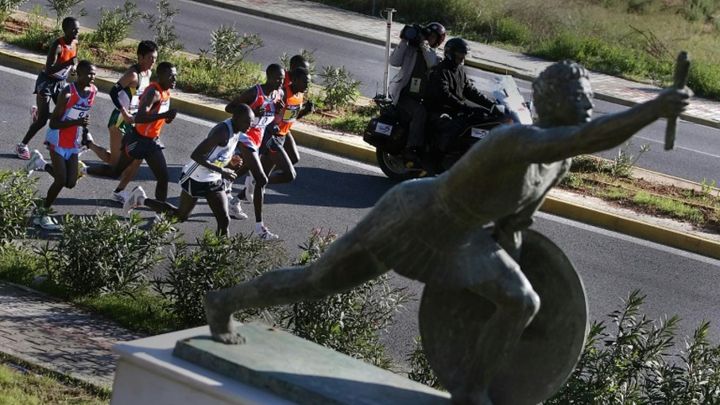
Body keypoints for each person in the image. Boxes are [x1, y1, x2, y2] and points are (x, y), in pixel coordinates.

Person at [203, 60, 691, 403]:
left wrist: (495, 284)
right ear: (553, 104)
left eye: (589, 100)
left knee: (521, 300)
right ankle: (223, 303)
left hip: (462, 237)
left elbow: (514, 225)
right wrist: (654, 108)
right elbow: (591, 136)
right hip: (415, 214)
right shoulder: (516, 139)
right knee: (318, 281)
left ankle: (470, 393)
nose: (588, 107)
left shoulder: (555, 165)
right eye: (578, 99)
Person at [124, 104, 255, 236]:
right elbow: (197, 155)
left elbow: (218, 153)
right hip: (195, 177)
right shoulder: (222, 132)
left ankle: (219, 253)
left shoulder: (237, 131)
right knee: (181, 216)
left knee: (224, 220)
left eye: (251, 123)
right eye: (247, 122)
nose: (249, 127)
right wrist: (222, 171)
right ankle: (141, 199)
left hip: (213, 179)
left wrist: (230, 161)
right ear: (236, 118)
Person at [85, 62, 178, 203]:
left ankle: (160, 216)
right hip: (138, 140)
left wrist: (168, 117)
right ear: (161, 76)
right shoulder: (154, 92)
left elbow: (160, 117)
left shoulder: (167, 93)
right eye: (171, 76)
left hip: (152, 141)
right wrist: (163, 116)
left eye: (175, 76)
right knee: (115, 170)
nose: (175, 79)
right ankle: (84, 170)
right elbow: (140, 117)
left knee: (163, 177)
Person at [84, 40, 158, 204]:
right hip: (119, 121)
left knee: (136, 160)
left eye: (155, 59)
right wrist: (124, 112)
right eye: (150, 58)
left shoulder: (148, 74)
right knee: (115, 164)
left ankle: (119, 191)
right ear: (140, 57)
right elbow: (113, 92)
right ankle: (88, 145)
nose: (153, 62)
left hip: (134, 122)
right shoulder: (132, 74)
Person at [26, 60, 97, 230]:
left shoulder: (93, 91)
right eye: (88, 73)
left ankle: (40, 163)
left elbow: (83, 115)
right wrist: (77, 121)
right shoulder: (67, 93)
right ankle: (41, 213)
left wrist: (85, 132)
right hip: (57, 138)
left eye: (94, 73)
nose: (92, 76)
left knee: (70, 182)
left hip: (73, 140)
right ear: (78, 74)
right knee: (60, 180)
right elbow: (54, 123)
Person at [224, 64, 285, 240]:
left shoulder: (278, 95)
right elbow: (230, 108)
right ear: (268, 76)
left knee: (240, 170)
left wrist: (279, 113)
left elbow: (271, 122)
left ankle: (224, 187)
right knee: (261, 179)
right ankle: (260, 229)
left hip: (258, 139)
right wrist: (251, 111)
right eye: (277, 78)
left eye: (282, 78)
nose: (280, 82)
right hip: (244, 138)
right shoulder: (255, 92)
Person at [16, 17, 79, 160]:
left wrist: (73, 67)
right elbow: (49, 69)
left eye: (78, 29)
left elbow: (73, 59)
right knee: (43, 120)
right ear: (65, 30)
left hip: (61, 83)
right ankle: (22, 145)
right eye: (74, 29)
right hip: (47, 82)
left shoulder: (75, 42)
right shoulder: (57, 45)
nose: (77, 32)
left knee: (65, 114)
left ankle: (39, 113)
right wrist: (68, 62)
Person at [425, 37, 498, 149]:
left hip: (455, 109)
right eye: (460, 54)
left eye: (464, 54)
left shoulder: (459, 70)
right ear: (450, 53)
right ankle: (436, 160)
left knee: (481, 121)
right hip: (440, 110)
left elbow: (470, 90)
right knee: (455, 128)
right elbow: (445, 95)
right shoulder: (441, 70)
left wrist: (491, 105)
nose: (463, 57)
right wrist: (466, 108)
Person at [388, 22, 445, 159]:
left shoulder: (436, 56)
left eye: (432, 37)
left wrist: (423, 44)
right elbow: (394, 61)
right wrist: (403, 40)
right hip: (404, 96)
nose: (428, 39)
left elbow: (431, 62)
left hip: (422, 98)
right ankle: (411, 148)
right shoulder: (411, 50)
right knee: (420, 112)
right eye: (427, 36)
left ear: (438, 40)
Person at [258, 66, 313, 187]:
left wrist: (304, 112)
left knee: (293, 158)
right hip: (273, 136)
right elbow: (266, 112)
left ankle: (251, 186)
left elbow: (289, 119)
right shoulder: (283, 93)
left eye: (308, 83)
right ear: (296, 80)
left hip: (284, 133)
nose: (307, 86)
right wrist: (272, 122)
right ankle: (257, 180)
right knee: (289, 174)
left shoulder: (299, 95)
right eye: (305, 82)